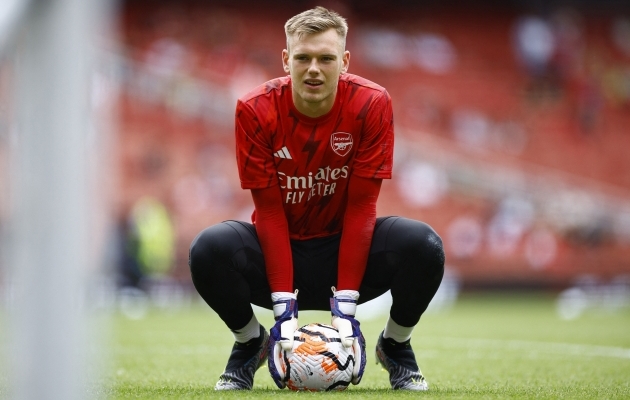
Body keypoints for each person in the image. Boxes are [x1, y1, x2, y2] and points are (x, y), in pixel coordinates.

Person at [188, 6, 445, 391]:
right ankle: (250, 342)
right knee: (208, 249)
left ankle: (395, 345)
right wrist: (282, 309)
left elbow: (362, 208)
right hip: (279, 252)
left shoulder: (371, 103)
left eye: (325, 58)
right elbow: (270, 212)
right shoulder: (255, 109)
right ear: (286, 59)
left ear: (343, 62)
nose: (313, 69)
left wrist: (345, 307)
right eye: (303, 58)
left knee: (424, 245)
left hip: (346, 250)